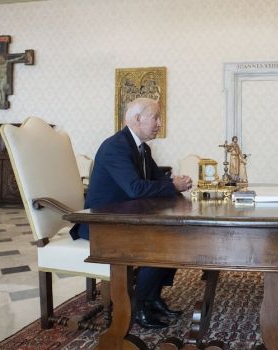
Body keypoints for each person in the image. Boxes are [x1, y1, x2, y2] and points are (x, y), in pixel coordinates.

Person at [70, 98, 192, 330]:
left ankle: (152, 298)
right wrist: (171, 186)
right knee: (161, 245)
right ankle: (137, 306)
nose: (159, 123)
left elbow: (157, 179)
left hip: (123, 220)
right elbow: (135, 188)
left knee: (176, 237)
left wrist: (176, 182)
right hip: (101, 224)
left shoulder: (142, 148)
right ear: (137, 119)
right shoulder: (115, 146)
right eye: (155, 117)